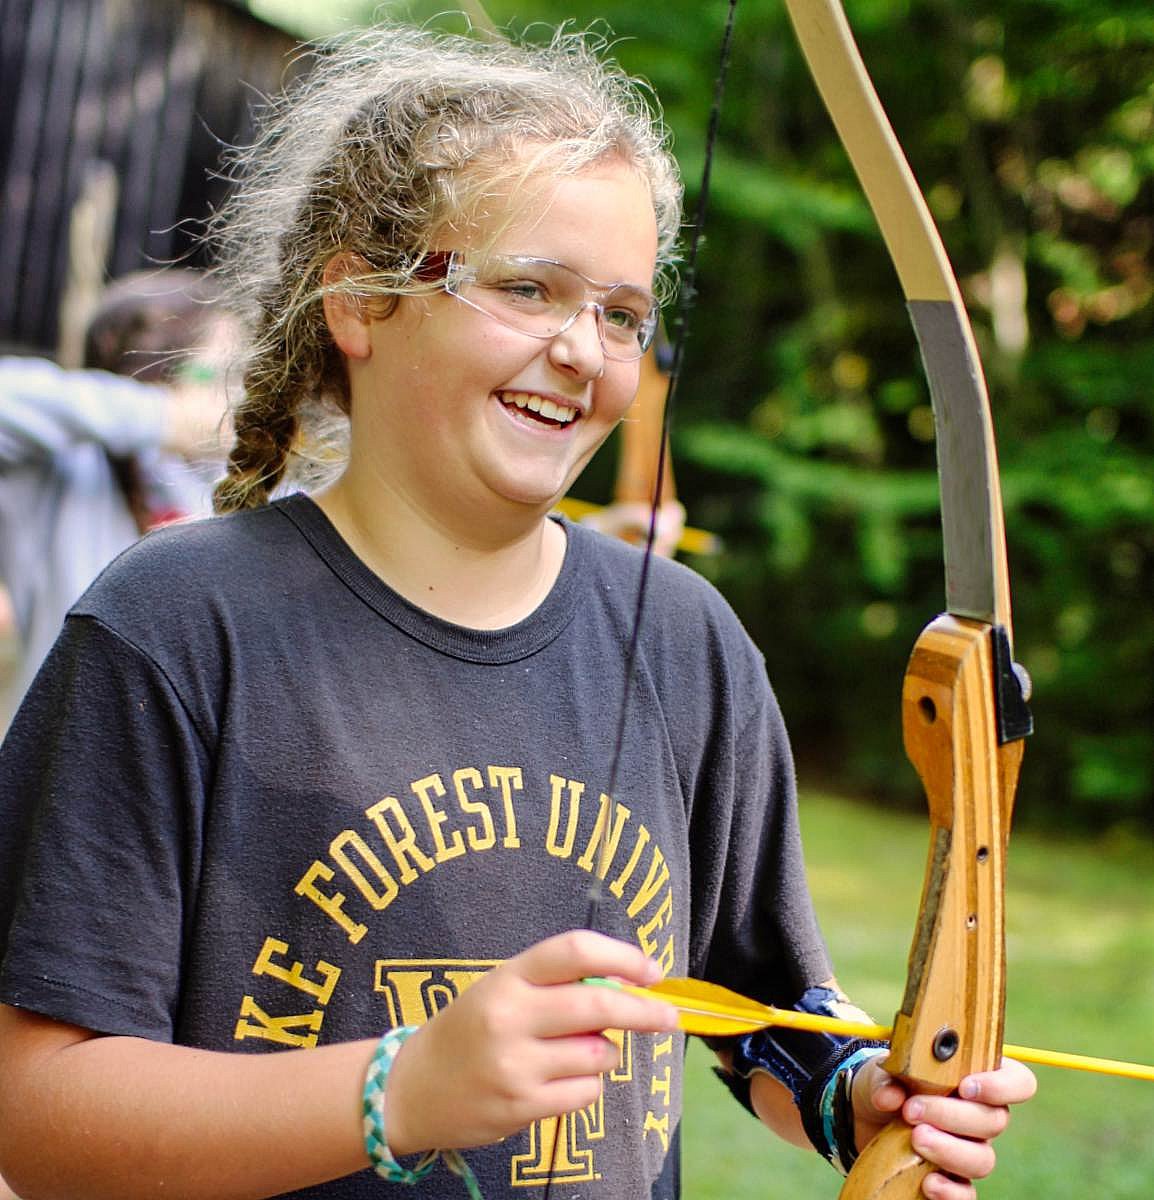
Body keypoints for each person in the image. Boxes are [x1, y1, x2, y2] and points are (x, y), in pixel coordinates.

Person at [0, 24, 1033, 1200]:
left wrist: (861, 1095)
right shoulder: (177, 625)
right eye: (528, 287)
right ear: (359, 300)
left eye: (624, 316)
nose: (580, 351)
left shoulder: (686, 640)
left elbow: (759, 1012)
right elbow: (36, 1113)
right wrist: (397, 1090)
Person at [0, 269, 233, 722]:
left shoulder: (230, 482)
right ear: (154, 370)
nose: (235, 394)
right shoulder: (64, 469)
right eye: (217, 372)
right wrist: (164, 418)